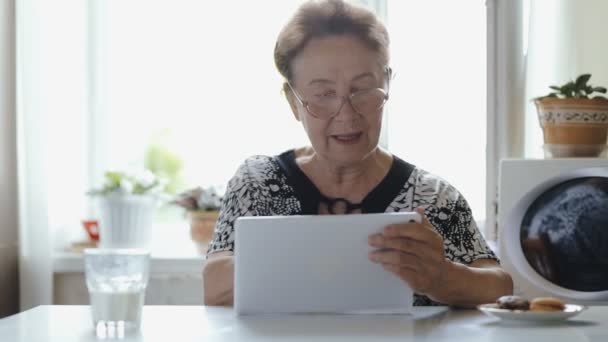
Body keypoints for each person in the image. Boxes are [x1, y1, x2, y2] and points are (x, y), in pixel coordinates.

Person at [203, 0, 512, 307]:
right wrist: (316, 252)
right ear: (293, 101)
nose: (347, 114)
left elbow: (498, 287)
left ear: (387, 84)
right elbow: (215, 287)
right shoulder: (258, 182)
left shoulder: (433, 197)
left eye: (363, 90)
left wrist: (441, 277)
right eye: (324, 94)